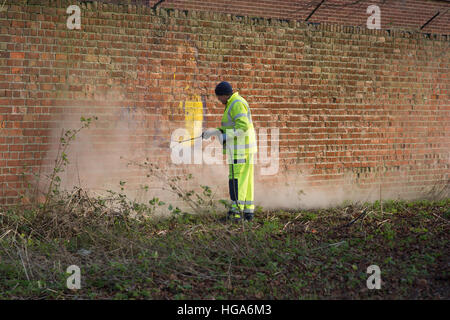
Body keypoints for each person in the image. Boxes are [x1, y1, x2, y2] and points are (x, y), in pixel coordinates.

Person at [202, 81, 257, 221]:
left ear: (224, 95)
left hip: (239, 149)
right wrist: (215, 132)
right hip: (246, 148)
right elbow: (234, 126)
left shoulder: (236, 103)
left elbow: (242, 126)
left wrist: (226, 136)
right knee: (246, 179)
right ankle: (248, 212)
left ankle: (235, 213)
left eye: (219, 97)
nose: (218, 100)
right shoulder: (235, 102)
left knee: (236, 180)